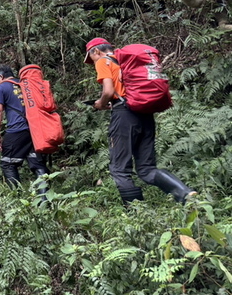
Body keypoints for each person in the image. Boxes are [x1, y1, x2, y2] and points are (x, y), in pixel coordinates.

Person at [84, 37, 197, 204]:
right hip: (144, 114)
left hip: (124, 115)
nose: (92, 62)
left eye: (91, 58)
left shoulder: (103, 61)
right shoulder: (125, 61)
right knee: (146, 169)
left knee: (119, 169)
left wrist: (100, 104)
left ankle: (136, 212)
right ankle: (185, 193)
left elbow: (108, 91)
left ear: (96, 51)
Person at [0, 66, 49, 193]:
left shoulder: (1, 87)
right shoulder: (27, 85)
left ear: (0, 77)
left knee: (7, 163)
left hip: (17, 129)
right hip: (36, 129)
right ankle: (45, 201)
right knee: (37, 163)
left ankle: (16, 197)